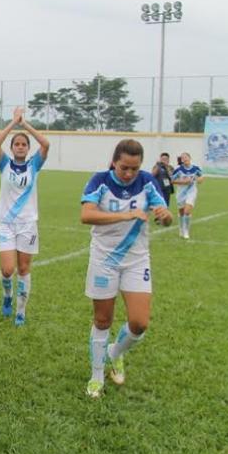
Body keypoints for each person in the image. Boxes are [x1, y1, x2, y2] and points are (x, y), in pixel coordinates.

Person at [80, 139, 171, 398]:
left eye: (134, 168)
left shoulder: (147, 181)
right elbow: (86, 215)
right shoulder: (100, 181)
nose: (130, 174)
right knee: (102, 320)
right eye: (124, 168)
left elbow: (164, 215)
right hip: (104, 260)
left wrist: (165, 216)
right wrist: (126, 215)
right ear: (114, 162)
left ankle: (114, 352)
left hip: (136, 260)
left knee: (140, 323)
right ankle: (97, 375)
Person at [0, 107, 50, 326]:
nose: (20, 147)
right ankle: (7, 296)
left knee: (24, 269)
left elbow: (46, 144)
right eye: (17, 144)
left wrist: (24, 125)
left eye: (24, 144)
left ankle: (21, 312)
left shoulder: (34, 164)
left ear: (28, 148)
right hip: (6, 223)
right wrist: (12, 124)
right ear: (12, 147)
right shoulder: (4, 163)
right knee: (8, 269)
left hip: (27, 225)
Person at [172, 152, 204, 239]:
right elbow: (172, 180)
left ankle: (186, 231)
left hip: (191, 191)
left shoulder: (195, 168)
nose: (185, 159)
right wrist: (183, 182)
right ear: (181, 160)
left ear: (190, 158)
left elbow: (201, 177)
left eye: (186, 157)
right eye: (183, 158)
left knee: (187, 211)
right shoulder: (178, 169)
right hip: (181, 192)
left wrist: (198, 179)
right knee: (181, 212)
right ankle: (181, 228)